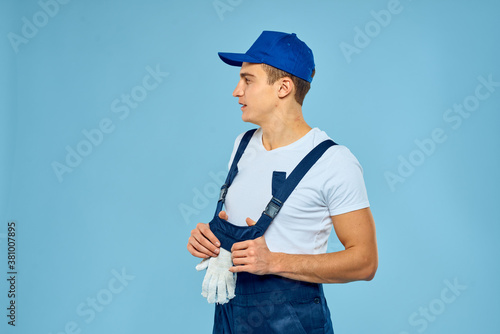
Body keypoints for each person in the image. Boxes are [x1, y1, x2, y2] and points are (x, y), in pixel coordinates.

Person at [187, 30, 378, 334]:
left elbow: (365, 261)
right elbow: (238, 227)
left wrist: (273, 262)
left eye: (248, 80)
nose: (237, 91)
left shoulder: (333, 161)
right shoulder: (242, 145)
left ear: (283, 87)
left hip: (293, 322)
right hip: (230, 316)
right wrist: (210, 238)